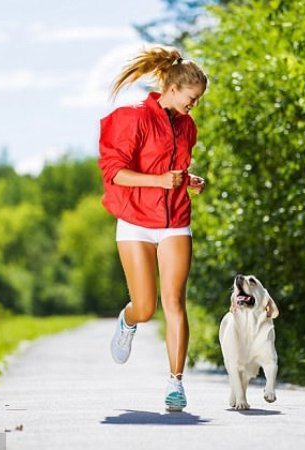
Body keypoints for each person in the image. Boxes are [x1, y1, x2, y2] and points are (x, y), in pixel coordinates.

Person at [97, 45, 207, 412]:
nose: (195, 105)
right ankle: (128, 321)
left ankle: (175, 383)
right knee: (146, 307)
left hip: (175, 220)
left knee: (174, 301)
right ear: (173, 89)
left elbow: (170, 169)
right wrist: (161, 181)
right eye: (192, 98)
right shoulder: (132, 119)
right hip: (134, 221)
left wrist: (187, 180)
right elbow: (116, 173)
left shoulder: (187, 126)